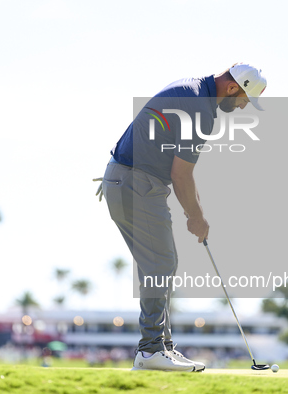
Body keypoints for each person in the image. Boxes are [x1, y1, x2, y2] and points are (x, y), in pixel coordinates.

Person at [94, 63, 267, 372]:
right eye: (243, 99)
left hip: (127, 180)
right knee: (160, 264)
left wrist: (197, 212)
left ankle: (163, 348)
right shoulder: (200, 108)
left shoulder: (194, 90)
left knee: (163, 263)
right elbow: (181, 175)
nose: (242, 106)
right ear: (232, 87)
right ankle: (149, 351)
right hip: (136, 183)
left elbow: (183, 174)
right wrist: (196, 218)